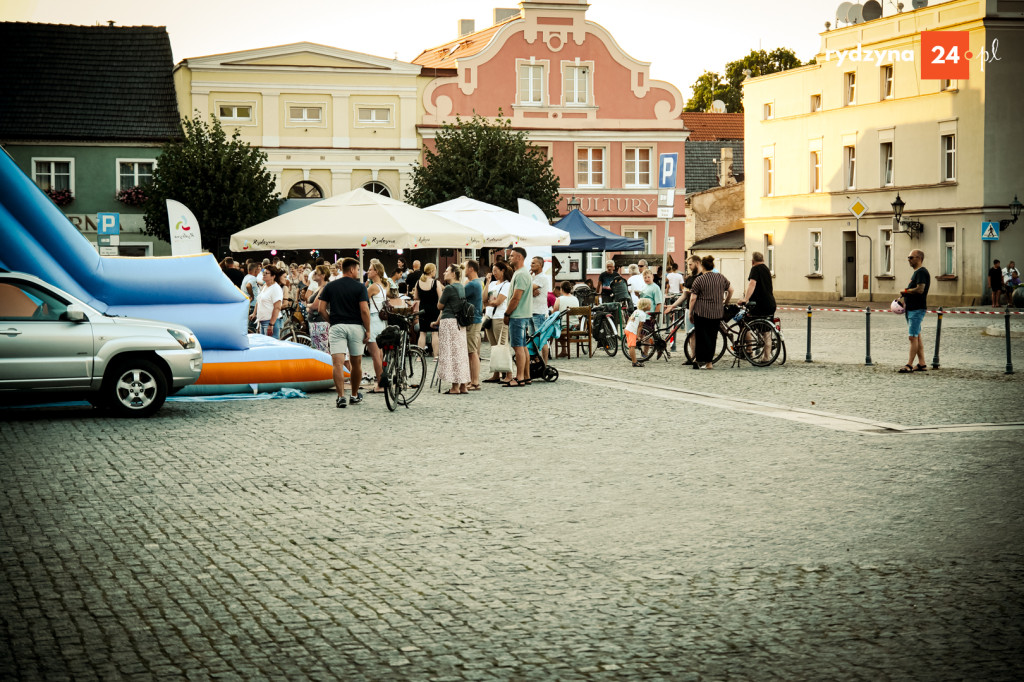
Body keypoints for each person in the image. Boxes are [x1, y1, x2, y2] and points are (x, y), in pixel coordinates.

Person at [318, 257, 370, 408]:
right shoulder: (360, 287)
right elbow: (364, 311)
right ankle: (354, 395)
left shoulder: (330, 286)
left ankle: (341, 396)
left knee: (338, 363)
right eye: (358, 269)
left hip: (337, 326)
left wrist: (331, 321)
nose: (358, 272)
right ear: (352, 269)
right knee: (356, 362)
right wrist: (368, 330)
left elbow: (321, 309)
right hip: (355, 327)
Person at [688, 255, 732, 370]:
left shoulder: (699, 279)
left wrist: (690, 312)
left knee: (701, 337)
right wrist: (726, 302)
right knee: (712, 337)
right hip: (717, 312)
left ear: (702, 266)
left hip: (702, 312)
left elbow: (693, 298)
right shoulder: (721, 277)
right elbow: (731, 290)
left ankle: (698, 360)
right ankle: (709, 363)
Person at [435, 264, 472, 394]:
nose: (444, 273)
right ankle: (463, 385)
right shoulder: (461, 287)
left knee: (451, 353)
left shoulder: (449, 288)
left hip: (449, 322)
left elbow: (440, 305)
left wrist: (440, 290)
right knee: (460, 353)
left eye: (446, 271)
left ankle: (454, 387)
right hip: (459, 323)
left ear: (453, 274)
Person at [737, 251, 777, 363]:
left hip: (760, 304)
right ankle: (766, 357)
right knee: (766, 330)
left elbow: (752, 284)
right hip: (770, 303)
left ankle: (749, 350)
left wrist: (745, 299)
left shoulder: (755, 269)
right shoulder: (766, 269)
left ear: (752, 261)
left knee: (744, 323)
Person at [502, 247, 533, 387]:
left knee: (518, 347)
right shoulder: (522, 273)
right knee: (523, 347)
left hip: (517, 315)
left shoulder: (520, 274)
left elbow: (516, 298)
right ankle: (526, 376)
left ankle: (519, 377)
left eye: (512, 256)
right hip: (523, 314)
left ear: (519, 257)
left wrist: (507, 313)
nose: (509, 258)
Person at [897, 249, 931, 373]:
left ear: (919, 258)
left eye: (911, 257)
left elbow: (920, 289)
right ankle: (922, 364)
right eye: (908, 257)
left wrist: (905, 291)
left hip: (917, 309)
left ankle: (909, 365)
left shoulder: (921, 272)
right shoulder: (916, 273)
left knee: (912, 337)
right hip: (912, 309)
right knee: (917, 337)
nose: (909, 260)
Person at [664, 255, 703, 355]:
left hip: (702, 309)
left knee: (701, 335)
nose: (689, 266)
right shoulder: (689, 278)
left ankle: (700, 356)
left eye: (690, 264)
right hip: (688, 309)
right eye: (688, 264)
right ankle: (692, 356)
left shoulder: (704, 277)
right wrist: (672, 306)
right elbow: (685, 295)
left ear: (697, 263)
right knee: (689, 334)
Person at [483, 262, 512, 384]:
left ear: (503, 270)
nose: (494, 273)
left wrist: (488, 302)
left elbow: (498, 302)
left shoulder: (507, 285)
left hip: (500, 317)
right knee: (494, 346)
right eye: (492, 270)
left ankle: (509, 373)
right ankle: (496, 373)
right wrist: (487, 282)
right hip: (489, 317)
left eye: (496, 270)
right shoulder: (493, 284)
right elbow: (484, 299)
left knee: (502, 345)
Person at [364, 261, 390, 394]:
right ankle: (382, 381)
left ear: (377, 272)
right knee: (379, 353)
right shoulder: (383, 285)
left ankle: (380, 384)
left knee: (375, 355)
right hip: (381, 321)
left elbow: (362, 300)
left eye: (370, 270)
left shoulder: (373, 287)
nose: (368, 272)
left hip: (373, 319)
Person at [463, 260, 484, 391]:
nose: (463, 270)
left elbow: (459, 295)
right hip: (475, 318)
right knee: (472, 350)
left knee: (472, 351)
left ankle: (475, 381)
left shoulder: (472, 284)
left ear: (470, 269)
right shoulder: (477, 283)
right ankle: (472, 379)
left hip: (472, 319)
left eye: (464, 267)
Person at [413, 263, 444, 352]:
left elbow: (416, 297)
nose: (435, 272)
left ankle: (419, 356)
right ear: (431, 271)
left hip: (423, 309)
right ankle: (436, 355)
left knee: (422, 333)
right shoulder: (435, 282)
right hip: (434, 309)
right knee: (434, 333)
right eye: (435, 270)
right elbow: (441, 297)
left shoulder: (418, 282)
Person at [529, 257, 551, 364]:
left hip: (539, 312)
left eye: (533, 263)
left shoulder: (542, 277)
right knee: (532, 339)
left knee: (542, 339)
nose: (531, 265)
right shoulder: (532, 277)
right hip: (531, 311)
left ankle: (545, 364)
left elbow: (525, 287)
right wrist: (530, 291)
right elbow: (525, 288)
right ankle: (536, 361)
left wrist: (528, 289)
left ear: (540, 265)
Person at [251, 265, 283, 337]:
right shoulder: (265, 285)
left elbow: (277, 308)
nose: (264, 274)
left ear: (273, 276)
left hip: (270, 322)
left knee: (271, 347)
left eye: (266, 273)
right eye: (263, 272)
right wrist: (254, 313)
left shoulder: (276, 288)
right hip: (262, 321)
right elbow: (259, 300)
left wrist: (271, 324)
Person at [306, 264, 331, 354]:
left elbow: (316, 306)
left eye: (316, 273)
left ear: (323, 275)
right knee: (317, 349)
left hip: (320, 322)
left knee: (322, 350)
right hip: (315, 321)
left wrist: (308, 306)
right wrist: (310, 306)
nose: (313, 274)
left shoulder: (324, 287)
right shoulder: (318, 287)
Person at [626, 298, 653, 368]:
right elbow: (640, 326)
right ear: (645, 306)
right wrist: (638, 336)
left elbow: (629, 318)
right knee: (632, 346)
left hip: (628, 329)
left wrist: (626, 326)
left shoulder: (636, 311)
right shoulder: (643, 314)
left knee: (631, 346)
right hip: (632, 330)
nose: (650, 306)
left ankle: (634, 361)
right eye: (649, 305)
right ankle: (634, 362)